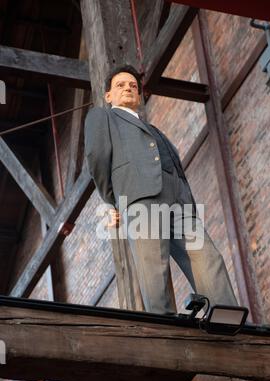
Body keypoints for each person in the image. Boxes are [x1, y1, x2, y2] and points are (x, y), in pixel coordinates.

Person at [84, 65, 238, 315]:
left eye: (133, 86)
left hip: (179, 200)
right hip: (139, 196)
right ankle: (162, 319)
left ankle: (226, 313)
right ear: (108, 95)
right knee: (153, 263)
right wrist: (115, 201)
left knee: (207, 256)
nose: (128, 88)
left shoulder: (154, 130)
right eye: (121, 85)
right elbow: (97, 158)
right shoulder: (102, 117)